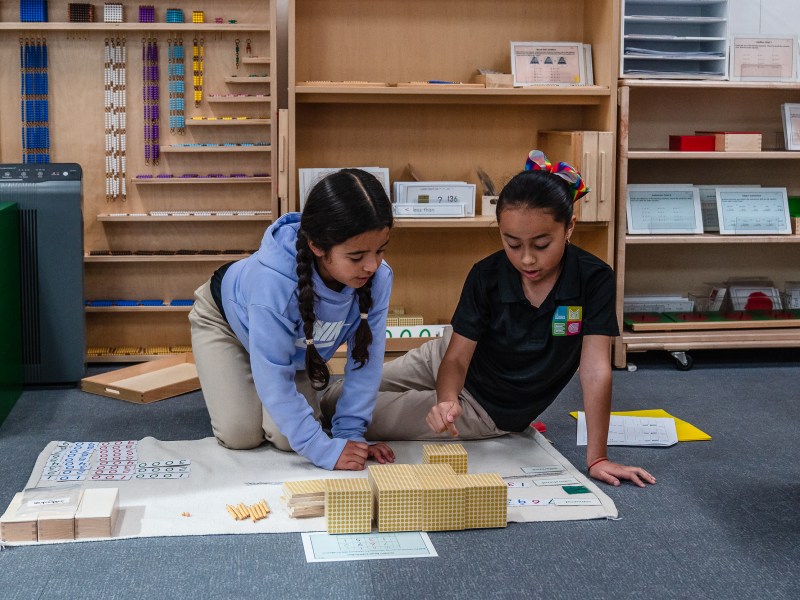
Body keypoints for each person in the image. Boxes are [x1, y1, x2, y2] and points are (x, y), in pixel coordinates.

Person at [322, 151, 655, 487]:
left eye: (541, 245)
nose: (527, 259)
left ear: (569, 227)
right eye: (513, 244)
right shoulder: (486, 274)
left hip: (483, 408)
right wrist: (446, 399)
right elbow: (455, 357)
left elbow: (595, 370)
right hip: (443, 358)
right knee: (337, 395)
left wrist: (598, 457)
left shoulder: (594, 279)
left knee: (336, 409)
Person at [189, 168, 396, 471]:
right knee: (240, 435)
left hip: (292, 348)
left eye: (380, 251)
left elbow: (366, 362)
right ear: (317, 246)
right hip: (225, 322)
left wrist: (350, 436)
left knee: (287, 439)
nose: (372, 266)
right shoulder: (274, 283)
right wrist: (322, 449)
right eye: (356, 257)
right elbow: (273, 376)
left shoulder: (378, 278)